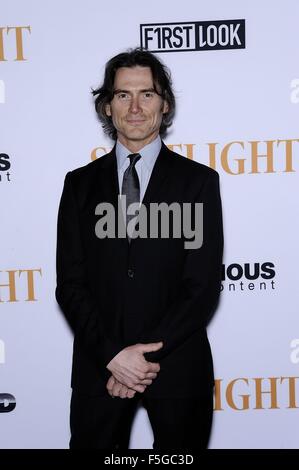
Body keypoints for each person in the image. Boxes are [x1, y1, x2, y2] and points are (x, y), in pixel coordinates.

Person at [55, 47, 223, 450]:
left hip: (178, 368)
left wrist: (138, 361)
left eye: (146, 94)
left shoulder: (198, 182)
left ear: (164, 105)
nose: (135, 107)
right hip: (101, 369)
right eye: (122, 95)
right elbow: (70, 285)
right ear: (107, 107)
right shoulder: (79, 186)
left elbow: (200, 288)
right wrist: (114, 356)